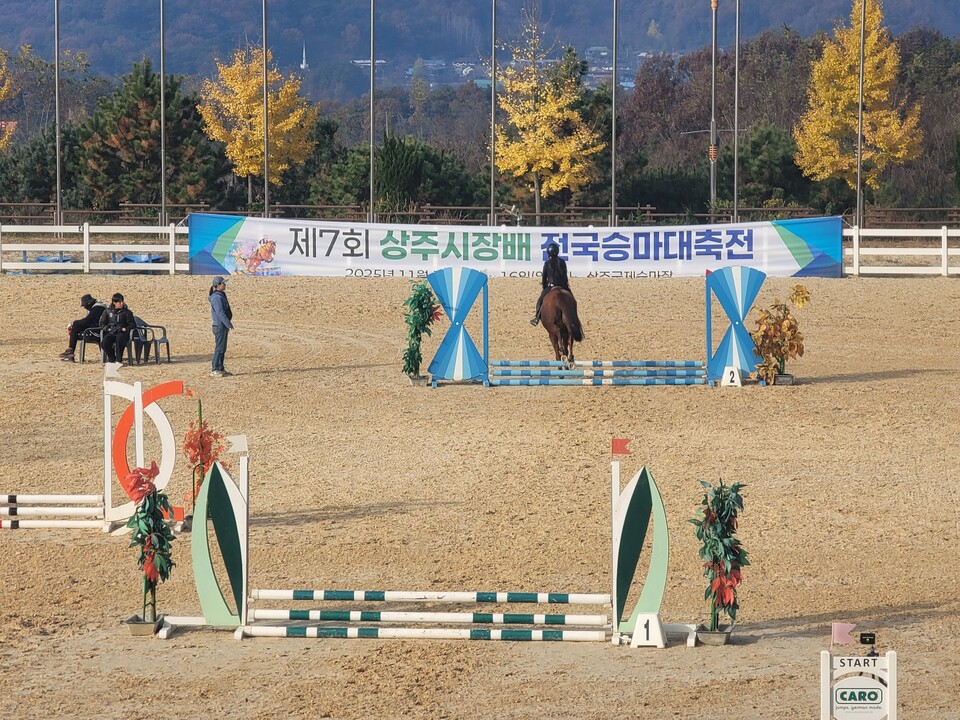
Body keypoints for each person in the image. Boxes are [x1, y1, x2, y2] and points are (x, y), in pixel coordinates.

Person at [530, 242, 570, 326]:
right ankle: (574, 316)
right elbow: (565, 276)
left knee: (540, 301)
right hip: (563, 286)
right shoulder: (562, 262)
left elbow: (544, 278)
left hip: (551, 286)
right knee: (572, 299)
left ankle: (537, 317)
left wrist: (544, 288)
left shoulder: (547, 263)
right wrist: (566, 287)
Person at [59, 294, 107, 362]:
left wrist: (73, 323)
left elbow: (87, 321)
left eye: (85, 306)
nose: (85, 308)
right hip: (98, 329)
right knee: (76, 327)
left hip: (96, 332)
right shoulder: (100, 307)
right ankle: (70, 351)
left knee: (76, 325)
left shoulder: (97, 309)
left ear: (88, 304)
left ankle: (70, 351)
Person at [99, 293, 135, 363]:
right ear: (114, 303)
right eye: (119, 302)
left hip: (122, 333)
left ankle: (119, 359)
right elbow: (102, 323)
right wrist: (107, 328)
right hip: (111, 332)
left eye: (122, 301)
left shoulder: (127, 312)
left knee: (119, 339)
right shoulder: (107, 311)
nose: (121, 303)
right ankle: (112, 357)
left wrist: (126, 328)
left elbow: (133, 324)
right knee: (104, 342)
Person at [209, 276, 234, 377]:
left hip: (222, 326)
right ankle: (215, 369)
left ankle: (220, 368)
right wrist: (228, 323)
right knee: (219, 348)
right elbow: (220, 313)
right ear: (218, 285)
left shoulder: (219, 296)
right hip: (220, 326)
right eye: (223, 283)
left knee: (222, 348)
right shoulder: (217, 298)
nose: (225, 285)